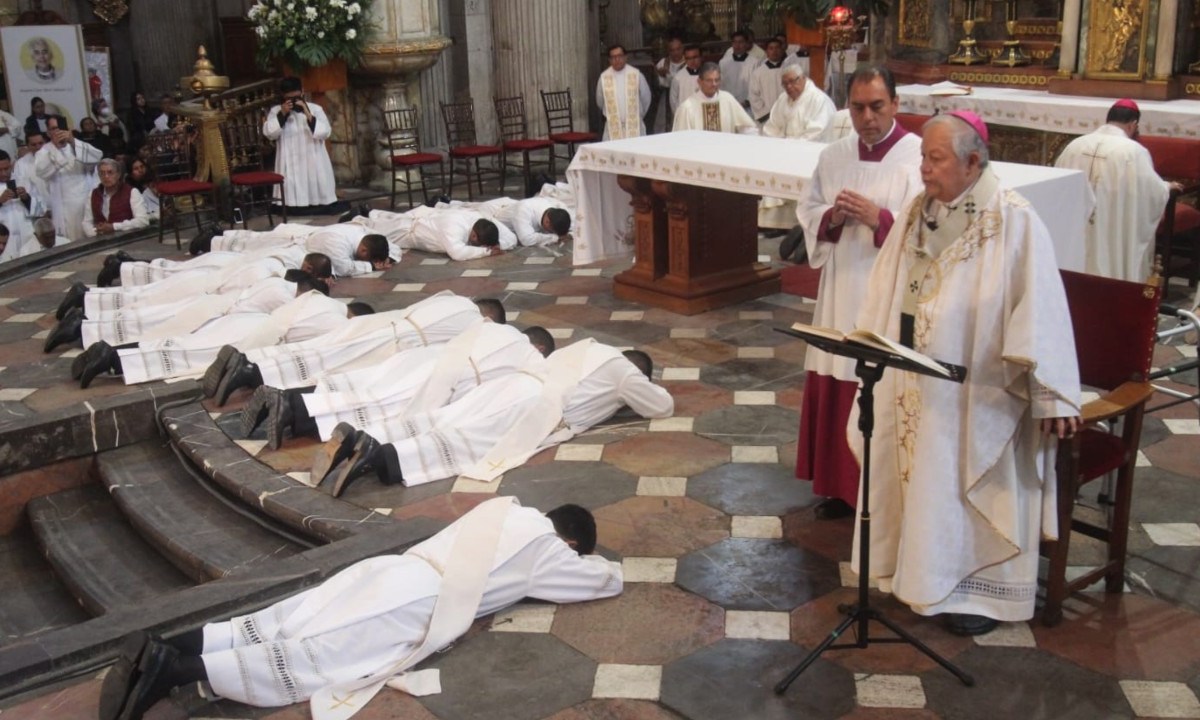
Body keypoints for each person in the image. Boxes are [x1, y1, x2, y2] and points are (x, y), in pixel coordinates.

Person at [852, 110, 1081, 636]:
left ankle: (974, 593)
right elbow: (888, 283)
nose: (925, 169)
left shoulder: (1014, 219)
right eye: (923, 157)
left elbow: (1041, 308)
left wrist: (1052, 396)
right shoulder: (918, 209)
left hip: (978, 393)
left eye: (936, 159)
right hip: (913, 380)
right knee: (919, 479)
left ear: (973, 162)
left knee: (960, 486)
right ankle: (914, 574)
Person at [98, 498, 622, 720]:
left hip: (388, 569)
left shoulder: (501, 508)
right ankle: (175, 671)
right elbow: (601, 582)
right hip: (418, 602)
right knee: (319, 655)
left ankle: (168, 645)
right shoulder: (549, 548)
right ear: (571, 539)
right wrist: (599, 563)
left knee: (286, 618)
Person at [792, 67, 923, 520]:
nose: (866, 117)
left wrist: (879, 218)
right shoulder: (834, 155)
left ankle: (878, 491)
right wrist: (831, 217)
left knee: (874, 378)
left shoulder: (918, 157)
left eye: (877, 106)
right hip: (841, 285)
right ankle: (838, 485)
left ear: (896, 104)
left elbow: (928, 229)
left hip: (883, 292)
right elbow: (807, 209)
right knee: (836, 368)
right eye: (858, 107)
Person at [316, 339, 674, 492]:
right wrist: (626, 396)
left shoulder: (587, 347)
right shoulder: (623, 369)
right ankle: (379, 457)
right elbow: (662, 406)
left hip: (512, 384)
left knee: (445, 417)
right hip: (537, 404)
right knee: (471, 440)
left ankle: (365, 436)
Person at [1053, 98, 1174, 282]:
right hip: (1112, 222)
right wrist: (1166, 187)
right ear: (1133, 125)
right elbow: (1151, 192)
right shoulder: (1133, 151)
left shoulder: (1075, 145)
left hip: (1077, 225)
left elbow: (1058, 185)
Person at [263, 77, 339, 213]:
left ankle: (318, 203)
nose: (293, 101)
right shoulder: (276, 111)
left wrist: (307, 114)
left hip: (313, 157)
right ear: (283, 96)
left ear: (302, 92)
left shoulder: (316, 109)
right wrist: (283, 114)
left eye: (296, 97)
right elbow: (270, 133)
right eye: (289, 98)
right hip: (289, 160)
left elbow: (325, 132)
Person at [350, 205, 505, 261]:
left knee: (381, 223)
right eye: (478, 243)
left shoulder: (475, 222)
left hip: (416, 224)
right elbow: (457, 253)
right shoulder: (454, 228)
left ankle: (366, 214)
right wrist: (486, 252)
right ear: (473, 236)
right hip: (407, 232)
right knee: (369, 231)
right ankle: (353, 218)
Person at [35, 115, 101, 241]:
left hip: (85, 201)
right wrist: (56, 149)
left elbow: (97, 156)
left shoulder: (76, 144)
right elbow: (41, 172)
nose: (58, 132)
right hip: (64, 205)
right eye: (54, 129)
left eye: (61, 128)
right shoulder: (44, 151)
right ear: (48, 132)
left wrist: (73, 142)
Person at [672, 63, 758, 134]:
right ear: (699, 82)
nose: (714, 84)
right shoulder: (687, 107)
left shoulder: (727, 99)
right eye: (709, 80)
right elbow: (681, 138)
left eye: (717, 80)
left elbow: (747, 127)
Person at [761, 65, 836, 141]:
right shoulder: (782, 99)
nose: (789, 86)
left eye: (792, 81)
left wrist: (792, 144)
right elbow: (771, 127)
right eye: (785, 84)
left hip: (807, 148)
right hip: (783, 147)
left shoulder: (819, 99)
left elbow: (817, 132)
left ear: (803, 78)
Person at [595, 44, 652, 141]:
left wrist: (636, 115)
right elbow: (600, 101)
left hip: (635, 126)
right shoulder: (604, 78)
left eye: (620, 56)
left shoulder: (636, 75)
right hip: (612, 126)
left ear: (626, 57)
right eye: (613, 57)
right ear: (609, 60)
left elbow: (646, 98)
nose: (617, 60)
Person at [82, 158, 149, 237]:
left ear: (118, 175)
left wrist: (114, 227)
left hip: (126, 240)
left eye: (110, 172)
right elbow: (86, 222)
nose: (106, 176)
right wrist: (96, 232)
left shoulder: (132, 192)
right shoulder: (93, 194)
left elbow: (143, 221)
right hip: (99, 241)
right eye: (102, 173)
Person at [0, 150, 38, 258]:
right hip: (5, 242)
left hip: (27, 237)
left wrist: (26, 198)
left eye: (6, 169)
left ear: (12, 165)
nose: (3, 173)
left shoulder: (24, 181)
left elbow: (41, 211)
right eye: (0, 170)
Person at [717, 30, 760, 109]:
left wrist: (747, 102)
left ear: (746, 44)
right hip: (727, 104)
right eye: (735, 42)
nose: (737, 45)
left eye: (741, 42)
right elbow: (720, 84)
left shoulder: (754, 62)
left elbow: (756, 85)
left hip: (747, 106)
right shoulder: (723, 62)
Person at [748, 37, 787, 122]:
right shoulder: (758, 73)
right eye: (771, 48)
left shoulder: (789, 70)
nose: (775, 51)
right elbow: (753, 95)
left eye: (777, 48)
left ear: (782, 50)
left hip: (787, 115)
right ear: (766, 52)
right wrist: (765, 114)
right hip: (767, 117)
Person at [653, 36, 686, 131]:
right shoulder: (663, 63)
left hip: (683, 96)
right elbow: (655, 87)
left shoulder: (688, 63)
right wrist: (660, 76)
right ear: (668, 51)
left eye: (678, 49)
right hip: (666, 100)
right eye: (672, 50)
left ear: (682, 49)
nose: (675, 53)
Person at [669, 44, 703, 116]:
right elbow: (673, 101)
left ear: (701, 57)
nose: (692, 61)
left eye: (695, 57)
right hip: (685, 117)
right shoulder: (678, 78)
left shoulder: (709, 75)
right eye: (688, 58)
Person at [127, 156, 158, 220]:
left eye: (142, 167)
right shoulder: (129, 189)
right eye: (136, 169)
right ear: (131, 173)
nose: (140, 170)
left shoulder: (152, 181)